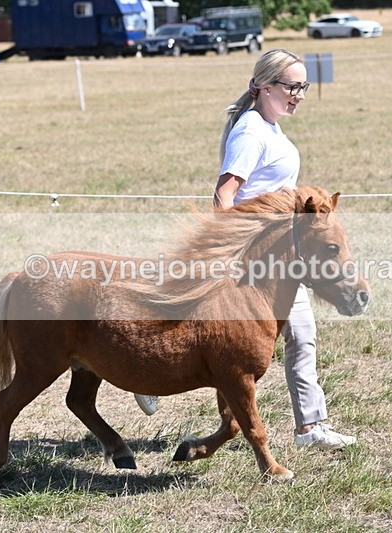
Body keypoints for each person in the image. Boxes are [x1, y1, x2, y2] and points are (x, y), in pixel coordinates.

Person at [135, 48, 356, 450]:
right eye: (292, 86)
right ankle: (144, 372)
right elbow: (225, 193)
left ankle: (310, 427)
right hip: (258, 257)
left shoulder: (269, 126)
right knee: (242, 337)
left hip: (284, 253)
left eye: (302, 86)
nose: (299, 94)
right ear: (263, 86)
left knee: (301, 335)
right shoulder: (251, 131)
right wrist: (231, 248)